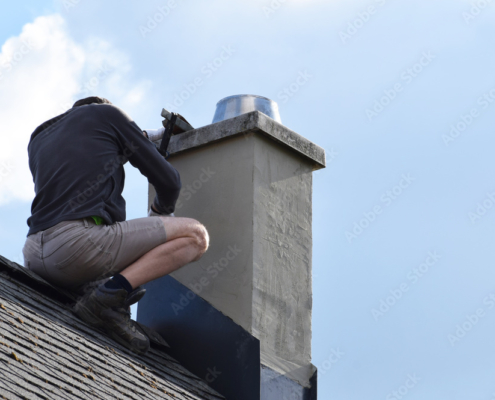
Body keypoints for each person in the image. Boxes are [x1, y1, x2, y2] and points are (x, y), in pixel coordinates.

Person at [22, 96, 209, 354]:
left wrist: (132, 140)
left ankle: (105, 298)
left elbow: (83, 161)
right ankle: (109, 298)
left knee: (103, 277)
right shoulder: (108, 113)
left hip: (34, 255)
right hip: (76, 250)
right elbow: (169, 182)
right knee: (196, 236)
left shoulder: (40, 138)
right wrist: (160, 214)